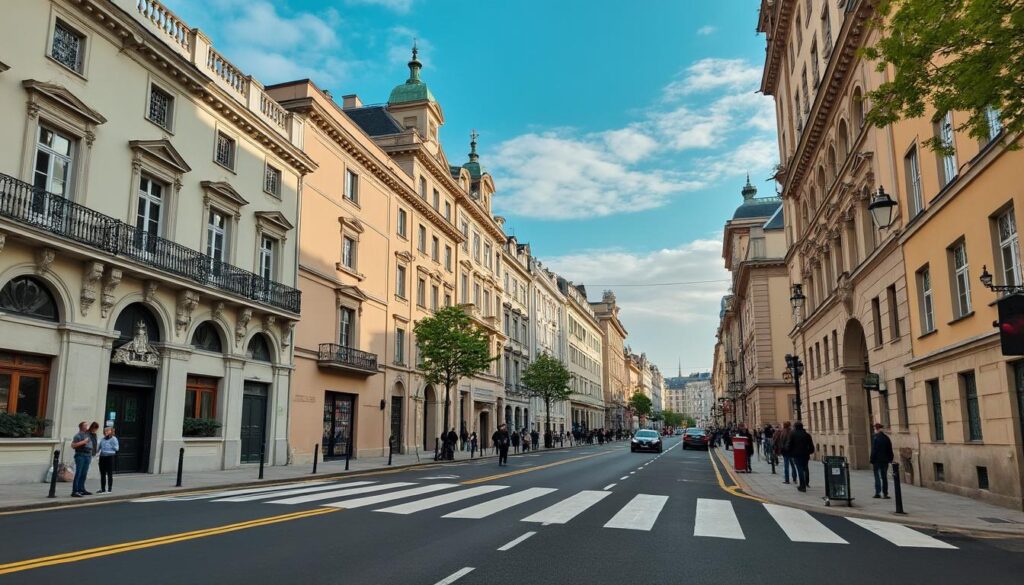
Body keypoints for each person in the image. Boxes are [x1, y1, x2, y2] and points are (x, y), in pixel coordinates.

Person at [788, 421, 815, 492]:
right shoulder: (807, 435)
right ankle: (806, 483)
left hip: (797, 455)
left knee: (799, 469)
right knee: (805, 468)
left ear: (795, 427)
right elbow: (811, 447)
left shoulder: (792, 434)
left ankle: (802, 486)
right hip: (805, 454)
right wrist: (809, 452)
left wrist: (790, 453)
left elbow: (789, 445)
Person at [870, 422, 894, 499]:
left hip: (877, 461)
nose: (874, 430)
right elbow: (890, 449)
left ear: (877, 429)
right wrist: (890, 459)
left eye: (874, 429)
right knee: (884, 477)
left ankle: (877, 493)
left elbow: (874, 450)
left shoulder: (875, 438)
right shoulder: (886, 438)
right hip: (885, 460)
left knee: (877, 476)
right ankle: (885, 493)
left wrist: (871, 459)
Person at [70, 422, 93, 497]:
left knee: (84, 473)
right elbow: (73, 445)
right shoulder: (78, 435)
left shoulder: (88, 435)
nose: (87, 426)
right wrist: (83, 442)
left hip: (88, 455)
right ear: (81, 427)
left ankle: (81, 489)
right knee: (78, 473)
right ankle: (75, 491)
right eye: (86, 425)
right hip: (80, 455)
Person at [97, 426, 119, 494]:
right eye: (105, 431)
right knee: (102, 473)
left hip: (110, 457)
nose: (105, 432)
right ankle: (103, 489)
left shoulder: (114, 439)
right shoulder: (102, 439)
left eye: (107, 431)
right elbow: (98, 448)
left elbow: (117, 448)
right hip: (102, 457)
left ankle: (109, 489)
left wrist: (111, 445)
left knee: (109, 473)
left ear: (111, 432)